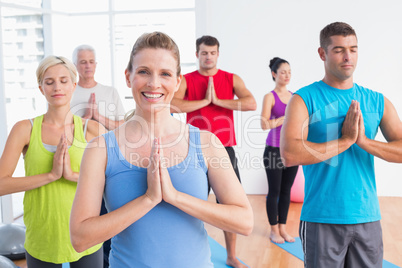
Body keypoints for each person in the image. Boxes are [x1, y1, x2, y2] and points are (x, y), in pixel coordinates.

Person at [69, 32, 253, 268]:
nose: (154, 83)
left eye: (165, 74)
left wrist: (175, 197)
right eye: (144, 71)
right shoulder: (101, 148)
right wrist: (148, 199)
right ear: (128, 77)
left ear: (177, 82)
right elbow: (80, 238)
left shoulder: (206, 143)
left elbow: (245, 222)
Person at [280, 22, 402, 267]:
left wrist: (364, 142)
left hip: (367, 216)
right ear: (322, 53)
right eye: (339, 50)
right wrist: (345, 141)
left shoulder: (376, 101)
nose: (348, 57)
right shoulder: (304, 99)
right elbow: (289, 154)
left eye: (353, 49)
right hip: (321, 217)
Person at [0, 56, 106, 267]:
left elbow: (111, 180)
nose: (57, 87)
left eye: (64, 80)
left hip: (86, 234)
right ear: (41, 88)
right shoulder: (24, 129)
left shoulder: (93, 130)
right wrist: (51, 176)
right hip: (43, 237)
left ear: (74, 85)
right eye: (49, 82)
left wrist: (72, 176)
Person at [171, 35, 256, 268]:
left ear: (218, 54)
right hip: (192, 148)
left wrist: (218, 100)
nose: (208, 56)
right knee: (187, 201)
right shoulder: (186, 80)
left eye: (212, 52)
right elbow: (172, 105)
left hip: (224, 149)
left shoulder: (231, 79)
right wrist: (203, 101)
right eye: (204, 52)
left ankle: (230, 255)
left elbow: (250, 103)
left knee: (229, 204)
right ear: (197, 54)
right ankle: (186, 252)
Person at [261, 57, 298, 244]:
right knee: (274, 191)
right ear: (274, 74)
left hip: (291, 150)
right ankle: (273, 230)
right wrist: (283, 119)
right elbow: (263, 124)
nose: (287, 75)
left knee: (286, 191)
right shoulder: (269, 97)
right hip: (273, 151)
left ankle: (283, 229)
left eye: (289, 72)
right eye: (283, 72)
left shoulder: (294, 96)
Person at [71, 44, 125, 130]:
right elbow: (63, 131)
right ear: (75, 66)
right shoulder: (68, 94)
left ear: (95, 64)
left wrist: (98, 117)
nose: (88, 66)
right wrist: (86, 117)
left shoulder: (111, 92)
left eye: (91, 62)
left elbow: (123, 127)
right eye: (83, 62)